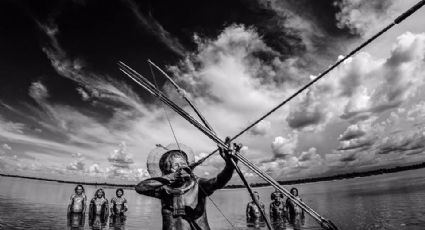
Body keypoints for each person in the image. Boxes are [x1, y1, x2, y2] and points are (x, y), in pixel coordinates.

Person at [135, 141, 240, 230]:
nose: (181, 168)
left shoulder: (198, 184)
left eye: (183, 164)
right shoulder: (163, 190)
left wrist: (230, 165)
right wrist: (172, 177)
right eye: (176, 166)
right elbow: (140, 188)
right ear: (166, 170)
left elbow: (218, 182)